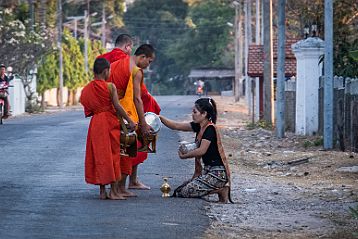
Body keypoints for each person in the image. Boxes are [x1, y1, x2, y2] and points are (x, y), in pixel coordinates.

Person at [99, 35, 161, 191]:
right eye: (149, 61)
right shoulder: (136, 71)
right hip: (124, 111)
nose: (148, 65)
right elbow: (138, 99)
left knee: (112, 151)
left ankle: (111, 189)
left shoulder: (114, 64)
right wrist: (143, 123)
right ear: (142, 57)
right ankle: (120, 188)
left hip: (108, 109)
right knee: (128, 149)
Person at [80, 58, 136, 200]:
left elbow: (88, 108)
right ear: (106, 71)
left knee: (100, 156)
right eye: (109, 71)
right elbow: (117, 106)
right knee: (113, 156)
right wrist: (129, 120)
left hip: (95, 124)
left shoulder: (86, 89)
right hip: (109, 123)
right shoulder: (110, 86)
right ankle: (114, 192)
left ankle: (102, 191)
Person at [159, 98, 233, 203]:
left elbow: (202, 150)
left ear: (204, 114)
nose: (192, 114)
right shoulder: (198, 126)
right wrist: (160, 118)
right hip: (207, 171)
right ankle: (216, 189)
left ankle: (221, 190)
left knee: (186, 192)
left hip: (218, 174)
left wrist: (184, 156)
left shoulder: (210, 129)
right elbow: (175, 126)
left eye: (195, 112)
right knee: (179, 191)